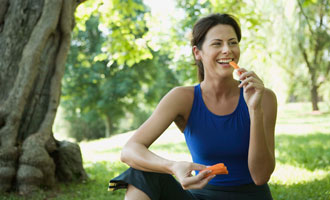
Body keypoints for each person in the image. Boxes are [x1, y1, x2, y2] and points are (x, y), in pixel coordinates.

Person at [109, 13, 277, 200]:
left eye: (232, 42)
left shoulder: (263, 98)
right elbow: (130, 150)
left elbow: (261, 176)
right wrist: (172, 166)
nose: (227, 50)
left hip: (250, 196)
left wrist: (255, 109)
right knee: (140, 174)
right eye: (217, 44)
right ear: (198, 53)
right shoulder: (183, 98)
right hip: (200, 196)